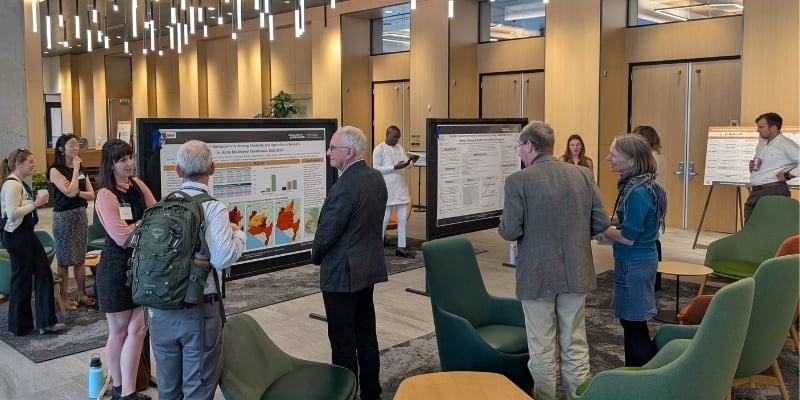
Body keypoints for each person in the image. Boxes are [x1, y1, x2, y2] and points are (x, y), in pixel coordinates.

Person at [498, 121, 609, 400]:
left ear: (529, 146)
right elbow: (601, 222)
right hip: (577, 270)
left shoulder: (517, 181)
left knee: (542, 346)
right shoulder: (583, 175)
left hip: (536, 275)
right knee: (575, 342)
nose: (519, 152)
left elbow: (510, 230)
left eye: (520, 146)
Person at [148, 140, 245, 399]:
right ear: (212, 168)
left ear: (177, 171)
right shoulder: (213, 207)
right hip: (199, 310)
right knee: (198, 388)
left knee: (168, 389)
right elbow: (222, 258)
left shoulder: (161, 205)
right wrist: (239, 236)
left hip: (159, 310)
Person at [312, 126, 388, 400]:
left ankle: (345, 394)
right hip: (366, 270)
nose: (328, 152)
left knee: (343, 342)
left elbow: (327, 232)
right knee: (366, 335)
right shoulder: (375, 178)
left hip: (342, 274)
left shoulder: (344, 186)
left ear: (349, 152)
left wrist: (316, 255)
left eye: (333, 148)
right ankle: (371, 392)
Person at [94, 139, 157, 400]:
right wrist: (143, 225)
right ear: (110, 164)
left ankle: (129, 390)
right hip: (116, 269)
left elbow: (157, 213)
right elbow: (123, 238)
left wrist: (140, 225)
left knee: (139, 330)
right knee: (119, 331)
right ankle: (120, 388)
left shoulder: (138, 185)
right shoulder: (105, 194)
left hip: (142, 267)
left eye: (130, 157)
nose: (129, 163)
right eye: (122, 159)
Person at [601, 134, 667, 367]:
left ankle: (639, 376)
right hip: (641, 260)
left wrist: (600, 227)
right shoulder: (646, 185)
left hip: (634, 262)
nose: (608, 158)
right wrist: (607, 220)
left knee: (633, 324)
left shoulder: (637, 192)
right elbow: (631, 219)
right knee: (633, 323)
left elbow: (628, 238)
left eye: (613, 154)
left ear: (631, 160)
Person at [1, 148, 62, 336]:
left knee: (43, 273)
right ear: (18, 164)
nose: (34, 165)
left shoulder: (18, 183)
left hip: (25, 234)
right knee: (22, 278)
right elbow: (11, 214)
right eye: (30, 161)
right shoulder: (12, 185)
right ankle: (21, 325)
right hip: (18, 236)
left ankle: (44, 322)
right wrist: (35, 204)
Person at [48, 133, 96, 310]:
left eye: (77, 145)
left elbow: (91, 194)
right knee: (64, 259)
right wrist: (75, 170)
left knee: (79, 258)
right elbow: (68, 193)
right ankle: (64, 298)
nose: (76, 148)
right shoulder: (55, 170)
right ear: (61, 149)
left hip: (80, 214)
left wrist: (77, 192)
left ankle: (82, 294)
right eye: (72, 145)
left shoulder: (81, 168)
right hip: (64, 217)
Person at [373, 125, 419, 258]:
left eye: (398, 137)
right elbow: (376, 169)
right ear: (388, 134)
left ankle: (401, 247)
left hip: (401, 188)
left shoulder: (399, 148)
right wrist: (394, 167)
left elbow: (406, 166)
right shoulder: (379, 149)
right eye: (395, 137)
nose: (397, 139)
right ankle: (377, 246)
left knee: (402, 219)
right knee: (384, 219)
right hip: (386, 189)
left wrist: (412, 162)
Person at [744, 112, 799, 222]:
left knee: (769, 227)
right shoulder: (762, 143)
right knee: (751, 226)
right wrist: (752, 168)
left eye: (761, 127)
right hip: (757, 191)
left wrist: (788, 175)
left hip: (773, 190)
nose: (757, 130)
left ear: (773, 128)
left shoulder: (786, 144)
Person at [632, 125, 666, 289]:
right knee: (653, 238)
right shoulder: (659, 156)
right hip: (655, 201)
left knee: (649, 239)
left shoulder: (650, 159)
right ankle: (655, 278)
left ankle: (652, 277)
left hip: (649, 201)